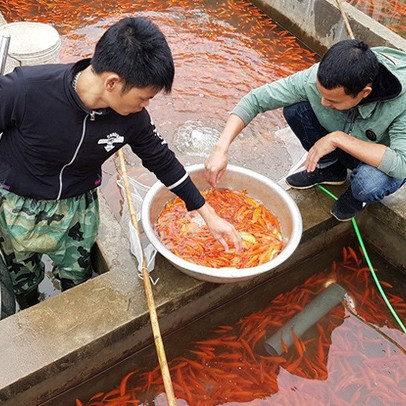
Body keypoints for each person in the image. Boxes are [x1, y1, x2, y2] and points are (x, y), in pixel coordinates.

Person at [0, 17, 242, 310]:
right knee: (22, 275)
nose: (146, 106)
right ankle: (29, 305)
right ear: (112, 82)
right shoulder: (25, 90)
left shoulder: (132, 119)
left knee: (77, 274)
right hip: (19, 205)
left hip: (78, 206)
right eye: (144, 97)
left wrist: (206, 212)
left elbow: (161, 159)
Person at [205, 39, 406, 222]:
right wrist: (221, 148)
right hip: (346, 140)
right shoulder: (315, 77)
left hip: (382, 159)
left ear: (364, 93)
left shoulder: (402, 102)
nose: (323, 103)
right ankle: (331, 170)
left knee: (367, 184)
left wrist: (338, 139)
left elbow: (401, 164)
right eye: (321, 94)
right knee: (296, 110)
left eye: (333, 100)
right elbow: (256, 100)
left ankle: (356, 197)